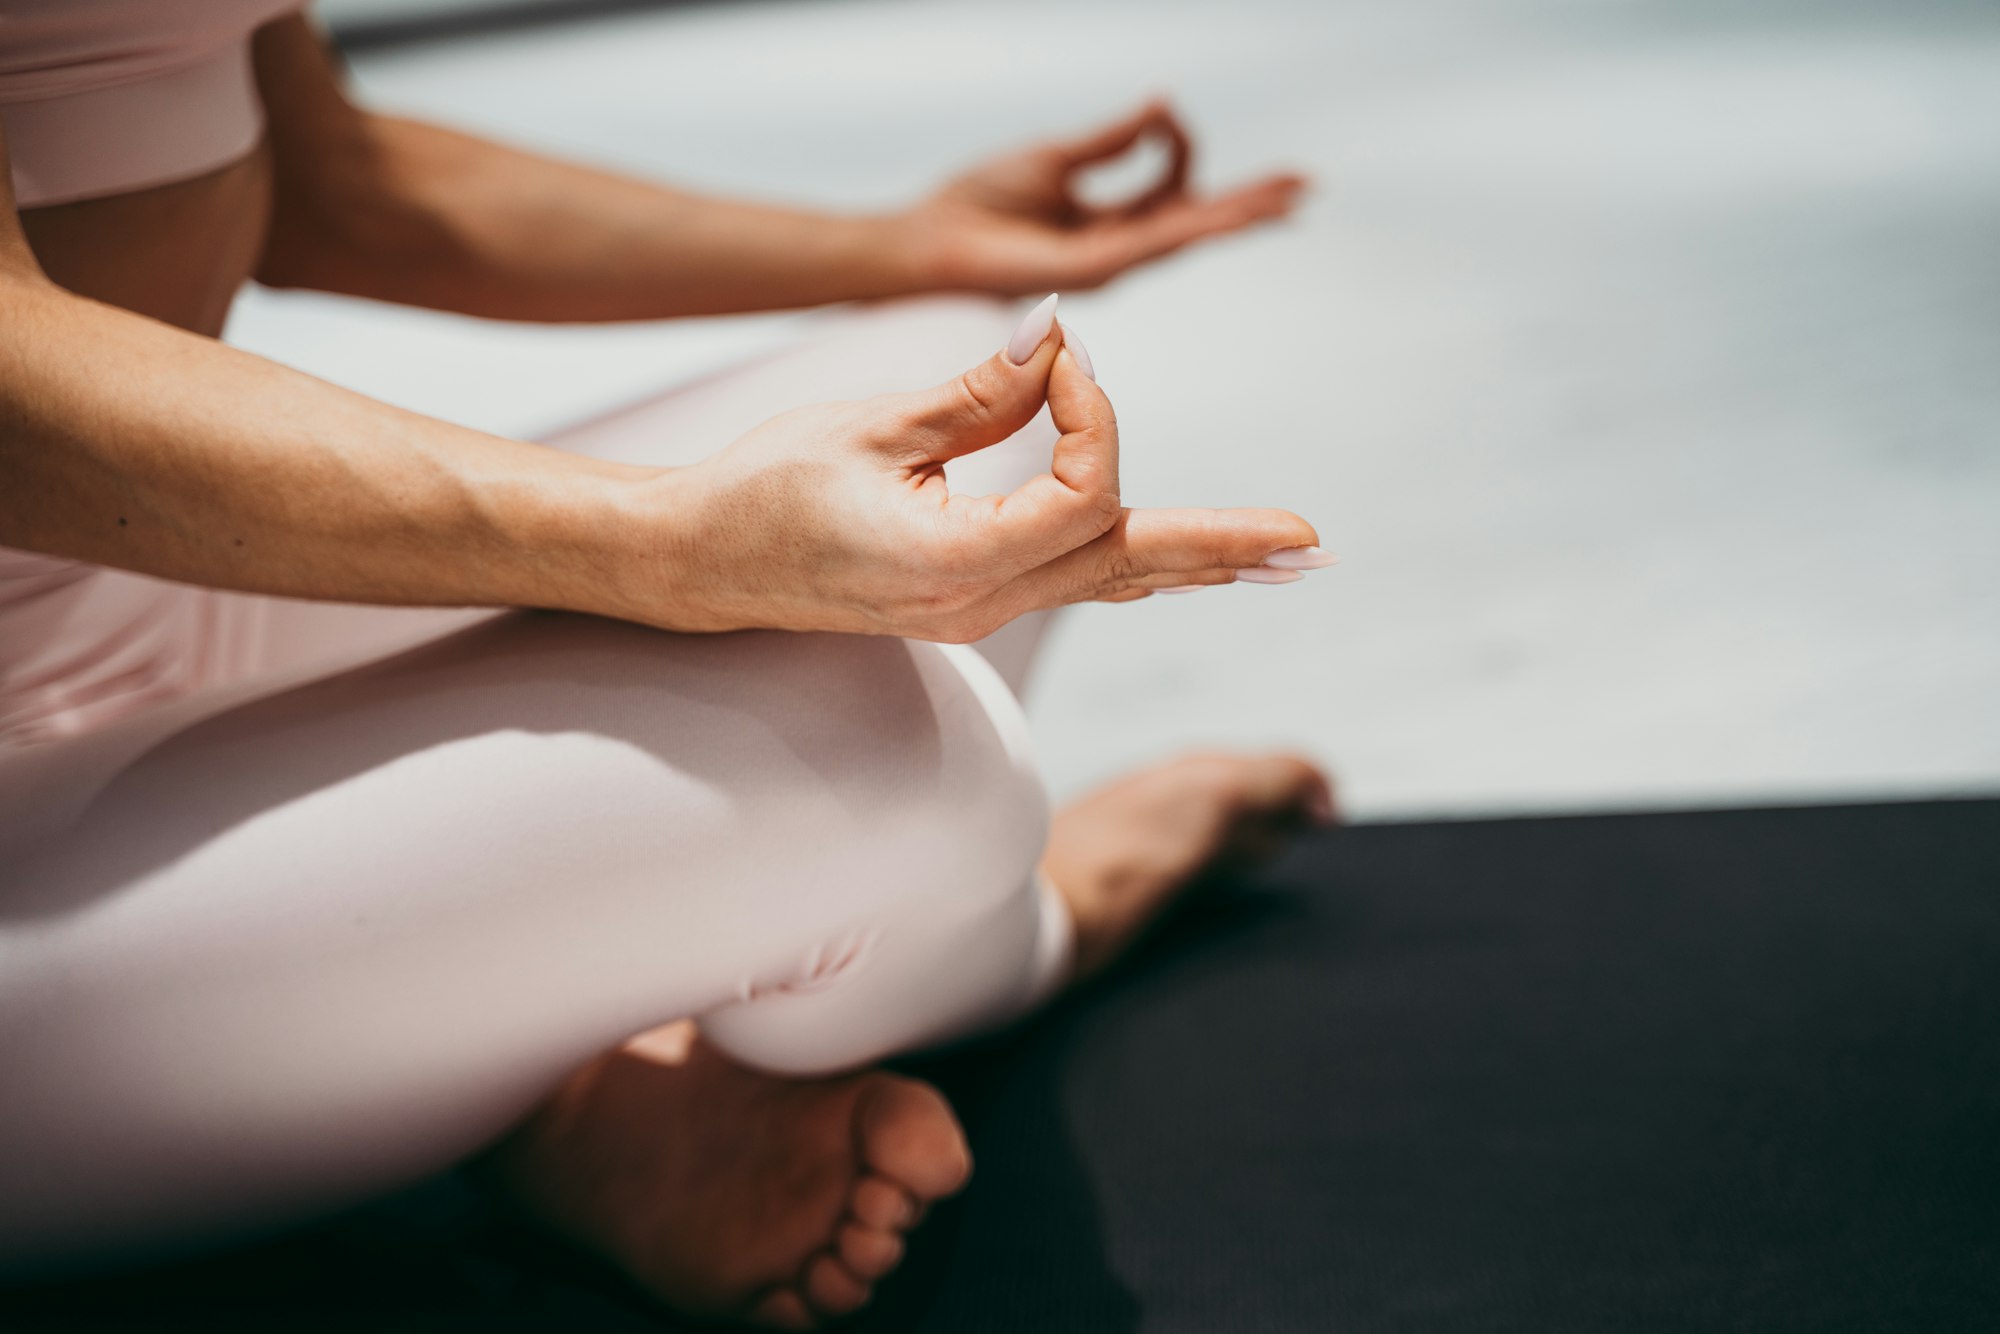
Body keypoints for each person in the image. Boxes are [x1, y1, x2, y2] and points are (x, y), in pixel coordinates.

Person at [0, 3, 1338, 1327]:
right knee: (872, 748)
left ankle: (544, 1080)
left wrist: (904, 245)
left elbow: (328, 177)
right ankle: (1047, 911)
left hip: (143, 593)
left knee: (948, 379)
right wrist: (663, 548)